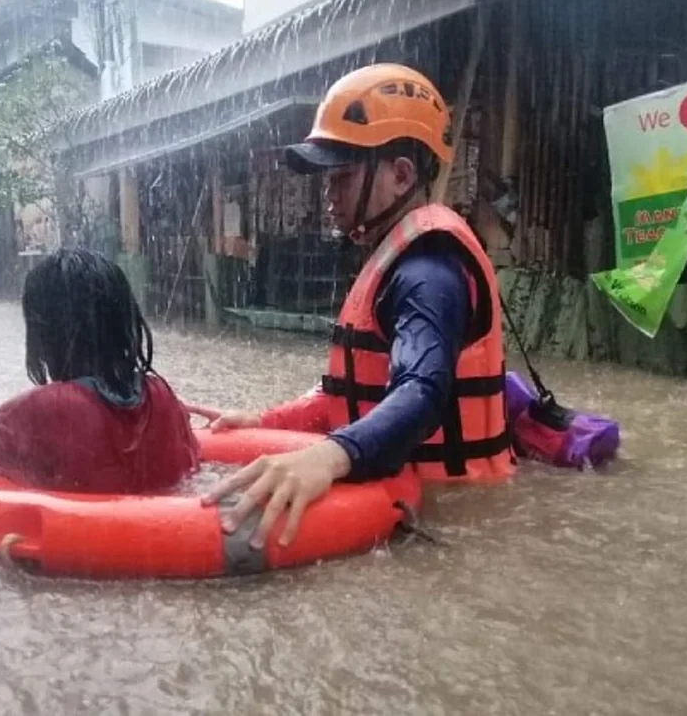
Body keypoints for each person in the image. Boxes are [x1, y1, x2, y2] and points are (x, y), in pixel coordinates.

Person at [187, 63, 512, 550]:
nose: (328, 197)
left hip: (452, 516)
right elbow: (347, 395)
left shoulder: (428, 272)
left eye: (341, 178)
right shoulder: (395, 254)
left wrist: (328, 457)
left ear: (401, 175)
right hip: (416, 496)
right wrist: (263, 422)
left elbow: (422, 391)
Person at [0, 248, 200, 494]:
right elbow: (193, 466)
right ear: (125, 320)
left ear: (43, 332)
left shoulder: (47, 407)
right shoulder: (162, 396)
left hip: (80, 560)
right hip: (163, 546)